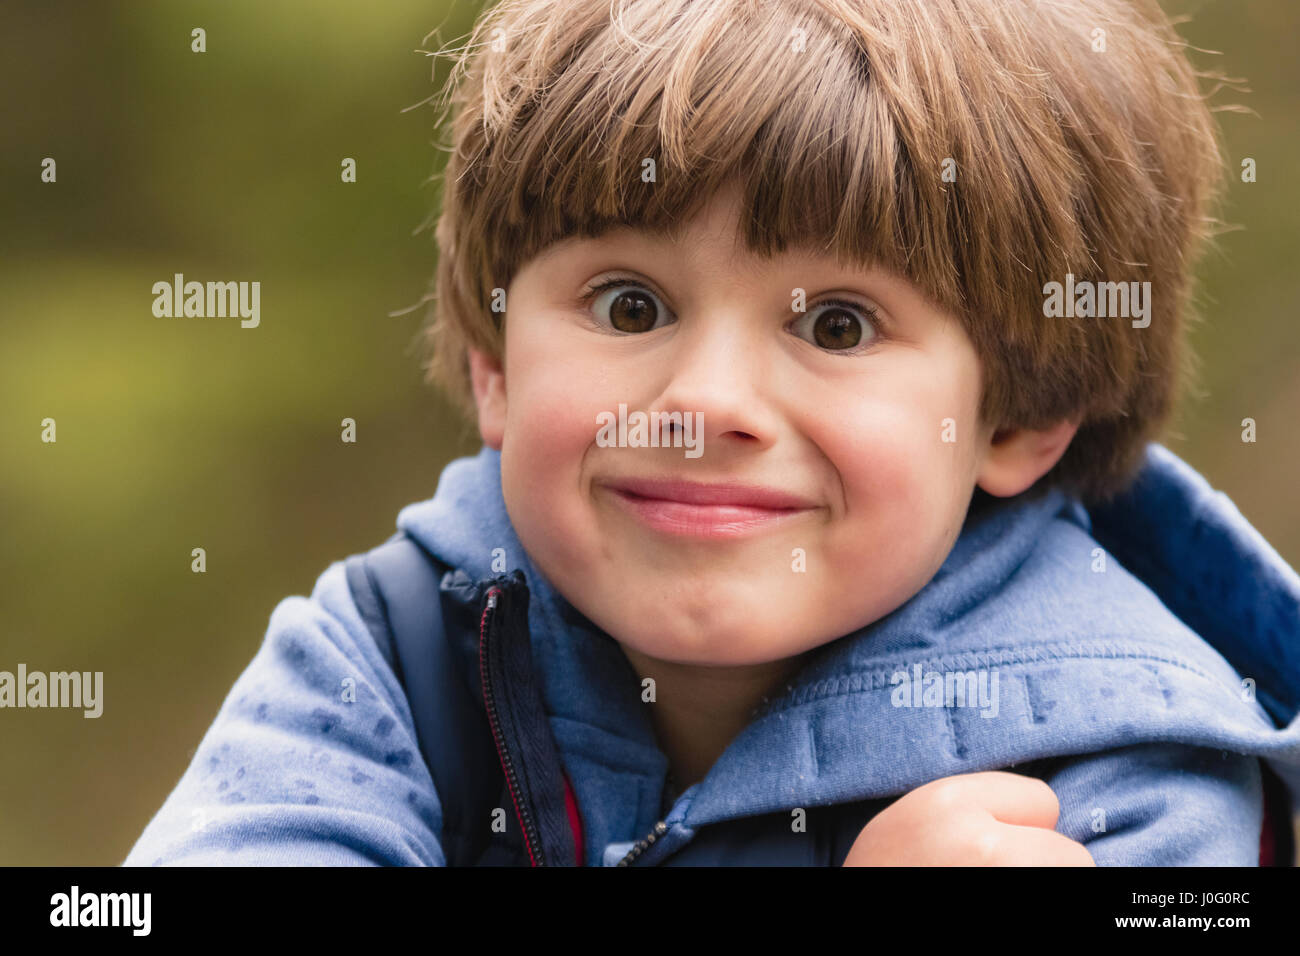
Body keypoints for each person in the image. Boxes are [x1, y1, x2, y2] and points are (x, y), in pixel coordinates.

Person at [123, 0, 1300, 866]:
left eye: (838, 324)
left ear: (1024, 414)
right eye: (630, 305)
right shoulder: (396, 655)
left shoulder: (1132, 773)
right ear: (493, 366)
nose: (703, 399)